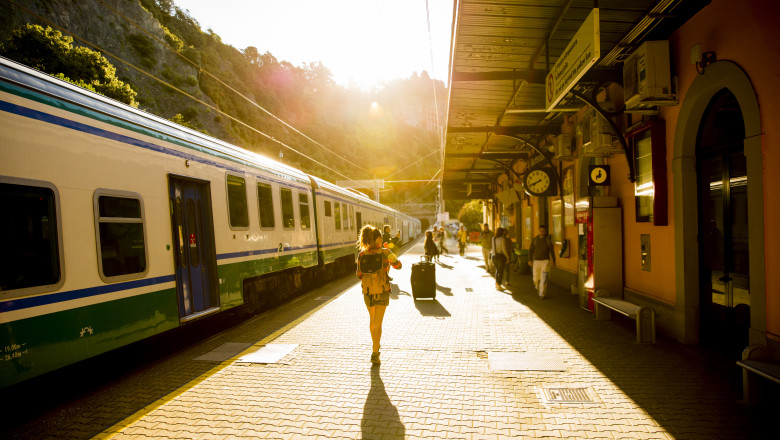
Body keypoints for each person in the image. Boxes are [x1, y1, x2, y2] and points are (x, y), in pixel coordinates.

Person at [356, 225, 402, 365]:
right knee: (378, 322)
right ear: (377, 239)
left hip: (368, 291)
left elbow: (359, 275)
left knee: (372, 320)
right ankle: (375, 352)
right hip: (381, 290)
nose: (382, 239)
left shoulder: (362, 254)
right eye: (380, 237)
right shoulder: (385, 252)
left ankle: (375, 346)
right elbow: (398, 265)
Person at [529, 225, 556, 299]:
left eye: (543, 231)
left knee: (544, 278)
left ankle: (542, 293)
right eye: (541, 231)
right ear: (538, 231)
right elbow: (531, 250)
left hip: (545, 261)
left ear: (545, 231)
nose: (542, 232)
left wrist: (553, 260)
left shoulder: (547, 240)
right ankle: (537, 287)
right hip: (536, 261)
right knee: (535, 278)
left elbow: (551, 251)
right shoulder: (535, 240)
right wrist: (530, 260)